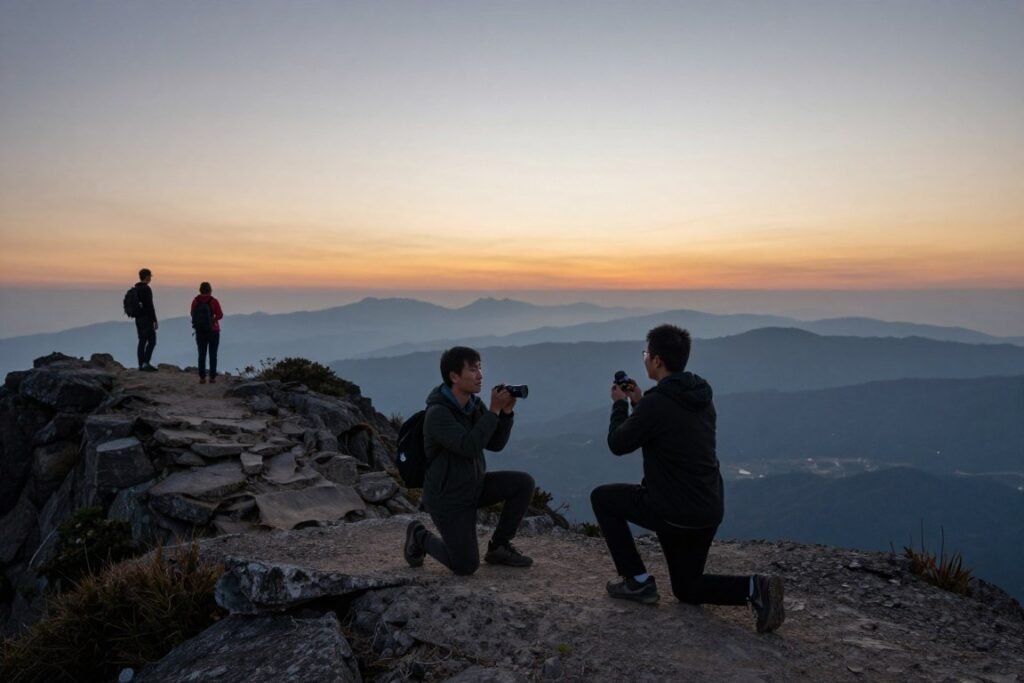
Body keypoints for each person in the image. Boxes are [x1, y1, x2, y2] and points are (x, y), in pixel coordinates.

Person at [590, 324, 785, 633]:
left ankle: (636, 580)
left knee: (602, 498)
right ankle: (755, 587)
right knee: (686, 588)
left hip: (673, 510)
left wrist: (619, 405)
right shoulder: (700, 396)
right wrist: (639, 402)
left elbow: (618, 444)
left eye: (646, 354)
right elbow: (668, 430)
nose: (645, 359)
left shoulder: (657, 403)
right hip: (706, 508)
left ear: (657, 360)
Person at [403, 346, 536, 575]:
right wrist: (493, 412)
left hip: (473, 486)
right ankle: (419, 535)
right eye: (473, 369)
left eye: (480, 368)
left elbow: (495, 444)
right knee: (465, 565)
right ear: (454, 376)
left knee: (523, 483)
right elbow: (468, 446)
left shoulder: (473, 405)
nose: (480, 375)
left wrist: (505, 414)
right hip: (448, 498)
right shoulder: (438, 414)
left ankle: (499, 547)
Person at [190, 282, 224, 384]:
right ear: (209, 290)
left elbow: (192, 314)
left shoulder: (195, 301)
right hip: (213, 331)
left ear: (200, 290)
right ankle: (212, 377)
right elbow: (220, 315)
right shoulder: (214, 301)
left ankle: (202, 378)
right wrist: (212, 320)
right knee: (213, 354)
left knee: (201, 354)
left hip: (200, 331)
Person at [133, 268, 158, 372]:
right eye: (150, 276)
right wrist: (155, 320)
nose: (150, 278)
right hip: (147, 319)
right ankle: (146, 363)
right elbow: (150, 306)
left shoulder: (136, 288)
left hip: (138, 318)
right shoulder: (146, 289)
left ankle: (141, 364)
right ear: (147, 276)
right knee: (152, 341)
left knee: (142, 341)